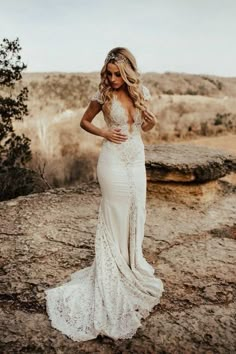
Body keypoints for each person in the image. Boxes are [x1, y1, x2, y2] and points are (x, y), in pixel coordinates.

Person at [45, 47, 164, 342]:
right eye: (108, 73)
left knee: (137, 208)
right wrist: (105, 133)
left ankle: (131, 263)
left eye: (117, 74)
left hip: (136, 157)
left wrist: (150, 119)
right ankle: (113, 270)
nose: (111, 79)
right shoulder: (102, 96)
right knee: (115, 211)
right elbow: (84, 122)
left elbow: (146, 128)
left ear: (127, 73)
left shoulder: (141, 91)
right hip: (111, 160)